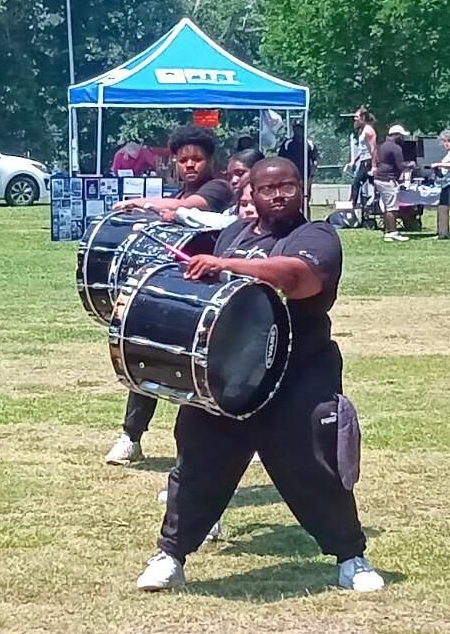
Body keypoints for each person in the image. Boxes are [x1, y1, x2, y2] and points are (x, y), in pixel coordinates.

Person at [134, 158, 383, 593]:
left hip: (298, 371)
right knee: (197, 461)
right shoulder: (235, 235)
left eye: (287, 186)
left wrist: (227, 265)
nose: (279, 195)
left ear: (301, 188)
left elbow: (298, 278)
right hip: (230, 373)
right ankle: (170, 556)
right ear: (253, 193)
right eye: (269, 189)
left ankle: (351, 558)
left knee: (315, 465)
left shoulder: (315, 235)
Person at [104, 126, 235, 466]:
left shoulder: (217, 187)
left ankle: (194, 458)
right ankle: (131, 437)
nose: (190, 165)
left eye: (197, 159)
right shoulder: (178, 191)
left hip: (206, 292)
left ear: (210, 161)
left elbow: (192, 208)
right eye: (183, 160)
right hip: (177, 285)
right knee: (145, 352)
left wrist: (140, 202)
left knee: (192, 370)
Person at [373, 124, 412, 242]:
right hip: (387, 179)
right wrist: (411, 165)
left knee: (387, 207)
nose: (403, 139)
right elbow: (401, 166)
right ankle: (392, 232)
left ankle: (387, 230)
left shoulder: (382, 146)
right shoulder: (395, 148)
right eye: (401, 136)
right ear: (396, 135)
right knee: (392, 208)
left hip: (378, 178)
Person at [349, 108, 376, 209]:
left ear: (363, 118)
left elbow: (373, 149)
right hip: (363, 160)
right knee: (363, 184)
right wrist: (353, 161)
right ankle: (363, 207)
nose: (355, 119)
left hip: (368, 162)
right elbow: (363, 150)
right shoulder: (362, 131)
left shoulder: (369, 131)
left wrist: (373, 166)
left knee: (356, 183)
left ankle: (353, 206)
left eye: (357, 117)